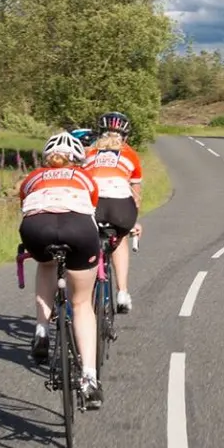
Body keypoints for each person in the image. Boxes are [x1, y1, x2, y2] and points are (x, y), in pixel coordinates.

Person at [18, 131, 104, 408]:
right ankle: (89, 380)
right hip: (77, 228)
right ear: (77, 160)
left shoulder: (31, 178)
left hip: (36, 229)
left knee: (45, 264)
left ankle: (42, 329)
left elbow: (25, 207)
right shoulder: (85, 178)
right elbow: (91, 209)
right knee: (81, 304)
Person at [81, 110, 144, 312]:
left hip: (92, 203)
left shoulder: (88, 153)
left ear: (100, 132)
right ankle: (122, 292)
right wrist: (132, 222)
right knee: (121, 238)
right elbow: (135, 195)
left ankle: (81, 294)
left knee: (84, 242)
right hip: (120, 206)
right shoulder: (131, 154)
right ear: (125, 135)